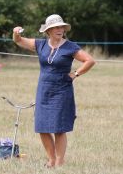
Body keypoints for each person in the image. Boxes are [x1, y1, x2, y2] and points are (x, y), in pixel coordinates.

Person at [13, 14, 95, 168]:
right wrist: (16, 32)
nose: (60, 30)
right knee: (42, 127)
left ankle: (59, 161)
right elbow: (18, 41)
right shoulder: (40, 45)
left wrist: (75, 74)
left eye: (61, 27)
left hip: (62, 90)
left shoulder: (70, 47)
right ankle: (51, 159)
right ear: (48, 30)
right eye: (56, 27)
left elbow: (89, 60)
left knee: (59, 128)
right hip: (44, 90)